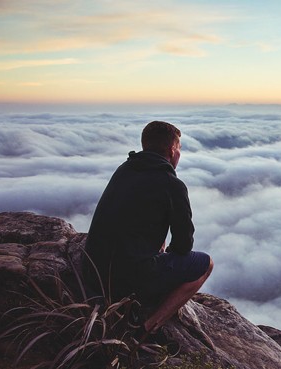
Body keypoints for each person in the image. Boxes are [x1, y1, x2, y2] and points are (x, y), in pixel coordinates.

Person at [83, 120, 213, 336]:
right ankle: (145, 328)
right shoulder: (172, 185)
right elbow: (183, 245)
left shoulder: (124, 169)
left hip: (93, 274)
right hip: (126, 282)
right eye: (179, 149)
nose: (179, 154)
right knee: (205, 264)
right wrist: (164, 257)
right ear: (172, 151)